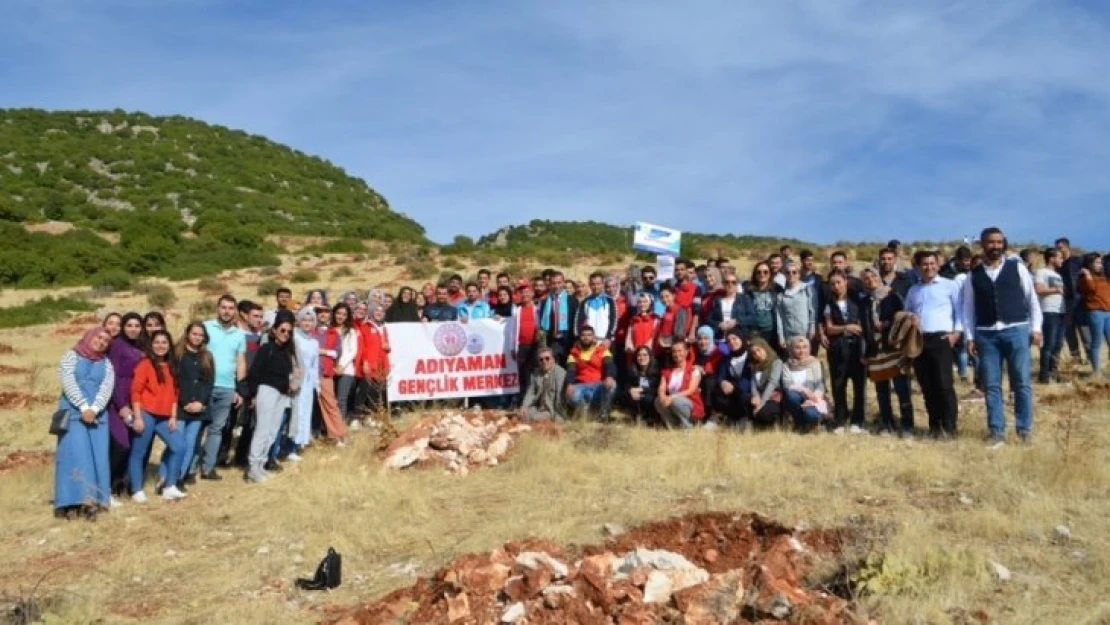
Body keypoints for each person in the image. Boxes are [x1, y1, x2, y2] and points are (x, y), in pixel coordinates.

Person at [963, 228, 1042, 447]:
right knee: (992, 385)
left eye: (999, 242)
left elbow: (1031, 300)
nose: (996, 246)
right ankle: (997, 431)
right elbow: (968, 309)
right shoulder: (973, 275)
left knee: (1022, 383)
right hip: (987, 334)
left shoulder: (1017, 268)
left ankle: (1024, 430)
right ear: (983, 245)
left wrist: (1036, 328)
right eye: (991, 242)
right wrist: (970, 337)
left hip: (1016, 329)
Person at [54, 327, 115, 520]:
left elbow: (107, 388)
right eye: (99, 337)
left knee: (97, 457)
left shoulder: (106, 363)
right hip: (73, 413)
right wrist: (83, 407)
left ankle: (92, 501)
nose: (102, 342)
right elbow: (68, 382)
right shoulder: (71, 355)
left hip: (97, 416)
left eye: (106, 340)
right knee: (75, 455)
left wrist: (94, 409)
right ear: (90, 337)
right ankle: (70, 502)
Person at [906, 250, 963, 439]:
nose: (928, 267)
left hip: (941, 339)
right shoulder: (914, 290)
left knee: (944, 385)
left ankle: (950, 427)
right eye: (924, 264)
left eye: (932, 263)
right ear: (918, 267)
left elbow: (959, 310)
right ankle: (935, 426)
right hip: (920, 341)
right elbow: (907, 311)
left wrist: (956, 333)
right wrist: (911, 318)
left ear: (938, 265)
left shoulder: (949, 285)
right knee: (927, 386)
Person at [128, 330, 186, 502]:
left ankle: (169, 486)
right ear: (151, 345)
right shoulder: (145, 364)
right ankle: (136, 489)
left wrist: (173, 417)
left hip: (165, 416)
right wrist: (138, 417)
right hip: (146, 413)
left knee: (180, 446)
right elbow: (135, 392)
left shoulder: (173, 366)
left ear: (169, 346)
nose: (160, 346)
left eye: (164, 342)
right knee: (139, 451)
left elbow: (176, 394)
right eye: (157, 342)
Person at [860, 268, 914, 436]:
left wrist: (887, 323)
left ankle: (907, 425)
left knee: (901, 388)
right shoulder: (865, 301)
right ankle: (887, 423)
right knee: (881, 391)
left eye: (873, 276)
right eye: (866, 278)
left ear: (879, 277)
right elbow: (864, 326)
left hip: (893, 348)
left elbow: (903, 317)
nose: (870, 280)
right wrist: (865, 352)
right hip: (875, 350)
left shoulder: (892, 296)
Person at [245, 311, 298, 483]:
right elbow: (254, 372)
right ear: (274, 330)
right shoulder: (266, 349)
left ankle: (260, 465)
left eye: (289, 332)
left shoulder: (287, 352)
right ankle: (253, 467)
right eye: (283, 330)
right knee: (262, 429)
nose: (286, 334)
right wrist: (253, 394)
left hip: (282, 394)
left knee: (273, 431)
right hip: (267, 390)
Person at [199, 295, 246, 481]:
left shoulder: (239, 334)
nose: (227, 311)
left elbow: (241, 362)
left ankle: (208, 468)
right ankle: (190, 467)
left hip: (227, 387)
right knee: (198, 427)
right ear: (218, 309)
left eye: (230, 308)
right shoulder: (206, 327)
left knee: (217, 429)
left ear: (235, 311)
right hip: (206, 385)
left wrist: (240, 389)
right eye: (223, 307)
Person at [171, 322, 213, 493]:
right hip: (181, 407)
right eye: (194, 333)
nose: (197, 337)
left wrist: (201, 403)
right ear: (187, 334)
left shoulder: (207, 357)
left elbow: (209, 382)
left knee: (190, 444)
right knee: (176, 443)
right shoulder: (177, 354)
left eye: (200, 335)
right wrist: (184, 402)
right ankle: (168, 476)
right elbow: (174, 381)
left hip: (199, 409)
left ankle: (180, 477)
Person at [823, 271, 866, 433]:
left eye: (839, 282)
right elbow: (830, 328)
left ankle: (858, 420)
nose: (836, 286)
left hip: (857, 348)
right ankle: (840, 420)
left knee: (859, 386)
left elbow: (864, 322)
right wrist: (846, 327)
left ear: (845, 282)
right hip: (838, 349)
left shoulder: (858, 300)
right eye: (833, 283)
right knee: (838, 385)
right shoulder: (829, 303)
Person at [106, 312, 143, 499]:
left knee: (127, 446)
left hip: (133, 402)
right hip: (117, 402)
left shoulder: (136, 346)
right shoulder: (118, 346)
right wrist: (120, 405)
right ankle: (105, 488)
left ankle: (117, 486)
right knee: (121, 445)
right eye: (129, 325)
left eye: (137, 326)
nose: (133, 329)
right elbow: (112, 377)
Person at [564, 326, 617, 419]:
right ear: (579, 337)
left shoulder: (602, 350)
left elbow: (610, 365)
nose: (586, 337)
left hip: (598, 387)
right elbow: (570, 371)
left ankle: (603, 414)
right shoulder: (573, 353)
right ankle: (588, 411)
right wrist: (569, 384)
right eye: (583, 335)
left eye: (589, 335)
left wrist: (609, 376)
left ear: (594, 337)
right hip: (581, 387)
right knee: (569, 393)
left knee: (612, 384)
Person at [289, 307, 320, 460]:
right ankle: (289, 446)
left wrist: (316, 384)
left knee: (305, 413)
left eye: (310, 320)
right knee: (295, 413)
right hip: (295, 382)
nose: (307, 323)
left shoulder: (314, 342)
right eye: (304, 320)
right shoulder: (294, 338)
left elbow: (315, 365)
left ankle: (299, 443)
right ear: (299, 321)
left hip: (308, 385)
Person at [781, 336, 829, 432]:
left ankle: (814, 424)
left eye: (804, 347)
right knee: (792, 396)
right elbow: (787, 384)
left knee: (811, 415)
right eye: (797, 347)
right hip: (796, 399)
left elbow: (820, 384)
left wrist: (813, 398)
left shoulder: (815, 363)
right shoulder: (787, 365)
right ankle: (799, 423)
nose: (801, 351)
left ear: (809, 348)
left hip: (813, 398)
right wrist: (804, 390)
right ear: (792, 349)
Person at [655, 341, 704, 429]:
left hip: (689, 404)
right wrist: (662, 397)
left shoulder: (693, 370)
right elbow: (661, 388)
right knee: (658, 401)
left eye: (680, 351)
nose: (677, 354)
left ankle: (688, 425)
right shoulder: (667, 371)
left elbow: (691, 390)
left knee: (676, 401)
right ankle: (673, 426)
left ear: (686, 352)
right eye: (674, 351)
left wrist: (672, 397)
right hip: (673, 402)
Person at [1035, 248, 1067, 383]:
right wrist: (1056, 289)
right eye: (1060, 257)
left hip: (1060, 313)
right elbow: (1039, 289)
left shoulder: (1058, 275)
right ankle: (1044, 376)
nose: (1062, 260)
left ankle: (1054, 372)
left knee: (1058, 344)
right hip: (1048, 312)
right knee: (1049, 344)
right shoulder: (1041, 272)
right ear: (1051, 258)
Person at [1056, 237, 1090, 365]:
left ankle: (1090, 357)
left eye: (1060, 248)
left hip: (1080, 300)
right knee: (1069, 331)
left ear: (1067, 247)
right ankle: (1076, 358)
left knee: (1084, 330)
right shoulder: (1059, 264)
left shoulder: (1078, 261)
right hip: (1065, 301)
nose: (1059, 250)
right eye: (1057, 248)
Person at [355, 301, 390, 417]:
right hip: (369, 364)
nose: (379, 313)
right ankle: (357, 416)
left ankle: (374, 417)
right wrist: (365, 361)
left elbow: (388, 345)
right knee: (364, 391)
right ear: (371, 312)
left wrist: (388, 347)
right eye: (376, 310)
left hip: (382, 365)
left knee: (376, 393)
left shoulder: (385, 328)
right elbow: (363, 346)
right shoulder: (366, 327)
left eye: (382, 311)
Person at [1078, 254, 1110, 379]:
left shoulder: (1105, 276)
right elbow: (1091, 289)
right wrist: (1087, 275)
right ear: (1089, 264)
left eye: (1101, 263)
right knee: (1096, 342)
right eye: (1097, 263)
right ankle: (1096, 371)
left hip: (1108, 312)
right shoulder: (1084, 278)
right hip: (1095, 312)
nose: (1100, 265)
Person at [710, 330, 751, 428]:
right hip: (730, 390)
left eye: (734, 339)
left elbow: (750, 378)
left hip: (745, 391)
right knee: (715, 391)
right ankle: (723, 418)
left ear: (741, 339)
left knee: (743, 397)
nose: (732, 342)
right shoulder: (726, 358)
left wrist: (735, 387)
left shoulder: (750, 357)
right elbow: (721, 376)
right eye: (728, 341)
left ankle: (745, 419)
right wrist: (722, 382)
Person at [776, 261, 816, 355]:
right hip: (789, 335)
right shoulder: (781, 295)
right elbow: (780, 317)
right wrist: (781, 336)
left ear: (799, 274)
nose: (791, 274)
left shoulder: (807, 289)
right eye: (788, 272)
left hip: (805, 334)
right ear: (784, 275)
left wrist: (812, 329)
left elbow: (812, 311)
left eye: (794, 272)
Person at [329, 303, 359, 425]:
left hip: (346, 370)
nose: (340, 316)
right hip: (330, 368)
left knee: (341, 399)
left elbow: (353, 351)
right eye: (338, 313)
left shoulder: (351, 331)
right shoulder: (329, 330)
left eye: (344, 314)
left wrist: (341, 365)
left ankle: (339, 428)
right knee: (331, 400)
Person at [518, 347, 566, 421]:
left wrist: (558, 416)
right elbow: (531, 392)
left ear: (553, 359)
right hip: (537, 408)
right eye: (541, 360)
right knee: (522, 414)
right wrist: (524, 406)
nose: (544, 361)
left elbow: (560, 398)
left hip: (551, 410)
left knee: (534, 419)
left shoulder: (560, 373)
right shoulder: (536, 373)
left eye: (547, 358)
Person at [746, 337, 784, 429]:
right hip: (760, 395)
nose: (757, 354)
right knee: (745, 400)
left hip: (772, 396)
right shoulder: (754, 365)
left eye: (759, 350)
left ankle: (774, 422)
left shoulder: (776, 362)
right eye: (754, 353)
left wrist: (761, 404)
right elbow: (753, 383)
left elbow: (772, 383)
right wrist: (756, 396)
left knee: (764, 412)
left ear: (765, 348)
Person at [573, 272, 618, 348]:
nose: (596, 287)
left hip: (605, 342)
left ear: (603, 284)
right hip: (589, 342)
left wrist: (608, 338)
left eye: (598, 284)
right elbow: (578, 321)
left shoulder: (610, 301)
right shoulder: (585, 302)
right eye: (593, 284)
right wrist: (578, 338)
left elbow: (613, 321)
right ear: (590, 285)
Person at [743, 262, 781, 347]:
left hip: (773, 331)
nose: (762, 274)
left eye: (765, 272)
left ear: (770, 274)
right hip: (755, 331)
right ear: (755, 274)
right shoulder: (748, 291)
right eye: (758, 272)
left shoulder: (777, 289)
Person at [513, 284, 540, 402]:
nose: (525, 295)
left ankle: (535, 399)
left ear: (532, 294)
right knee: (522, 374)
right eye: (522, 293)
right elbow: (512, 329)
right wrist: (513, 347)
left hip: (535, 346)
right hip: (521, 346)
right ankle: (523, 400)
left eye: (528, 292)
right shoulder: (516, 310)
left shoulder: (538, 309)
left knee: (535, 373)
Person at [539, 271, 573, 364]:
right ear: (550, 284)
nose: (556, 286)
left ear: (563, 283)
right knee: (554, 366)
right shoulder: (545, 301)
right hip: (552, 339)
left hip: (568, 339)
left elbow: (575, 320)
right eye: (554, 283)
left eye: (559, 283)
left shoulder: (572, 300)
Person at [708, 271, 752, 341]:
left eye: (733, 282)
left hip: (739, 339)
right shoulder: (717, 300)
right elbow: (710, 319)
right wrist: (719, 324)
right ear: (723, 284)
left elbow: (752, 317)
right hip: (721, 338)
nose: (730, 284)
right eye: (727, 282)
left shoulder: (745, 299)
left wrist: (736, 321)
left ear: (737, 284)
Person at [621, 346, 660, 423]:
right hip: (637, 397)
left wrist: (642, 390)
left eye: (645, 355)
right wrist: (630, 390)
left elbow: (657, 389)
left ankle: (650, 418)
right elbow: (627, 385)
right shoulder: (632, 370)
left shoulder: (657, 371)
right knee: (628, 396)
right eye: (639, 355)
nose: (642, 357)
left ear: (650, 356)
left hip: (651, 398)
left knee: (648, 398)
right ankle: (637, 416)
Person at [655, 286, 692, 364]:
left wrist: (664, 341)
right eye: (662, 297)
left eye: (667, 296)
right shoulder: (666, 311)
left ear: (673, 295)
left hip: (673, 350)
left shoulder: (679, 310)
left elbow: (680, 334)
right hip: (664, 349)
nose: (664, 299)